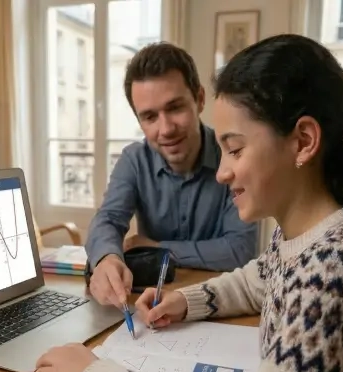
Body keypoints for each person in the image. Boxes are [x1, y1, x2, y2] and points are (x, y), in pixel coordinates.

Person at [32, 34, 343, 372]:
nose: (222, 172)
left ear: (303, 141)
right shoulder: (310, 237)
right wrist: (186, 301)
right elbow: (261, 278)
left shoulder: (339, 268)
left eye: (235, 150)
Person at [86, 42, 259, 307]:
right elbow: (108, 219)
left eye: (175, 108)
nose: (165, 129)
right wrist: (107, 259)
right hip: (154, 305)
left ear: (200, 99)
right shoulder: (134, 160)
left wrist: (157, 248)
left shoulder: (234, 155)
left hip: (221, 302)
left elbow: (239, 251)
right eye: (150, 117)